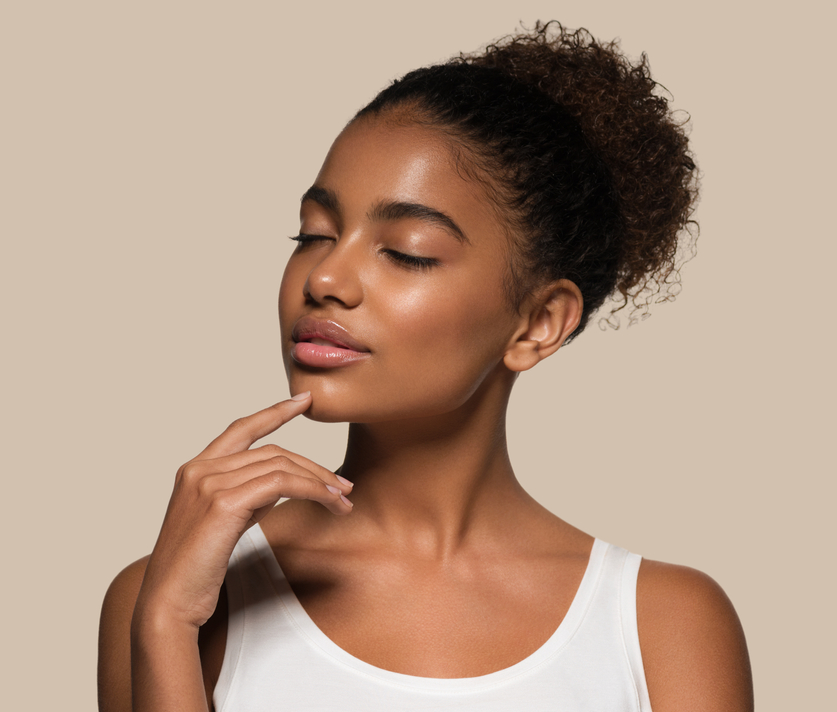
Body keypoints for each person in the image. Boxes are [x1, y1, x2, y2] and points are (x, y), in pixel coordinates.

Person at [98, 21, 753, 712]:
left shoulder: (663, 626)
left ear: (537, 324)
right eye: (313, 234)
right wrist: (167, 624)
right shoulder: (174, 599)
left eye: (406, 251)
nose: (325, 277)